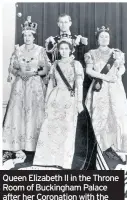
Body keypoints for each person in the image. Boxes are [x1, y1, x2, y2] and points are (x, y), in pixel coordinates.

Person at [25, 38, 96, 170]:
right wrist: (46, 101)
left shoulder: (76, 64)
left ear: (71, 50)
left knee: (67, 129)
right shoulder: (55, 64)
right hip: (55, 98)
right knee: (50, 128)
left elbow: (79, 85)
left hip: (70, 99)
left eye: (66, 49)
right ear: (58, 50)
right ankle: (46, 159)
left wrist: (79, 102)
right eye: (61, 49)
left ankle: (63, 161)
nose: (64, 51)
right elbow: (51, 84)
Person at [85, 26, 127, 168]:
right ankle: (105, 154)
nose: (104, 39)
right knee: (101, 119)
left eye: (106, 36)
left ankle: (123, 153)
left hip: (115, 88)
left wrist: (118, 73)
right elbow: (89, 70)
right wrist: (104, 76)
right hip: (99, 88)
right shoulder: (91, 54)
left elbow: (122, 68)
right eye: (101, 36)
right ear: (97, 39)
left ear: (109, 38)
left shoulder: (117, 53)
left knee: (120, 118)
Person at [3, 16, 51, 164]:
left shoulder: (40, 50)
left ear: (34, 37)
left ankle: (34, 148)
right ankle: (16, 146)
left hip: (35, 86)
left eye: (30, 35)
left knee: (35, 113)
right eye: (25, 35)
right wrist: (19, 73)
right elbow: (12, 67)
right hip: (20, 86)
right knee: (18, 113)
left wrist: (34, 73)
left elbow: (47, 68)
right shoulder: (18, 50)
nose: (27, 38)